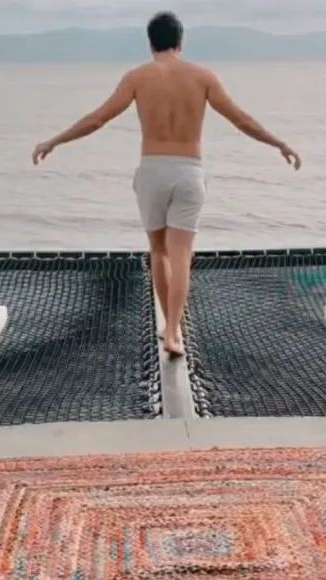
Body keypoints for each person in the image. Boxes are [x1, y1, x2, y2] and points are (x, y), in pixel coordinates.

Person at [32, 11, 301, 358]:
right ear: (180, 42)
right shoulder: (203, 77)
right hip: (189, 171)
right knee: (182, 256)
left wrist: (54, 141)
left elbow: (98, 118)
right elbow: (240, 119)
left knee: (158, 251)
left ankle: (167, 327)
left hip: (152, 171)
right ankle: (174, 331)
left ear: (150, 44)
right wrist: (278, 142)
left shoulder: (137, 77)